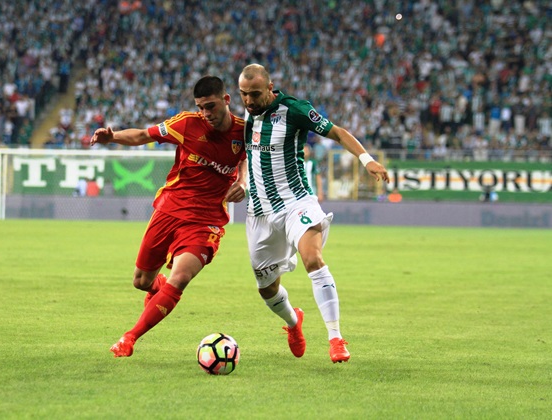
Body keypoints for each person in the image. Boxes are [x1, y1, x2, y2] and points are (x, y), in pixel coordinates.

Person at [237, 64, 390, 363]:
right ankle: (294, 323)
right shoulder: (246, 114)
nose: (249, 100)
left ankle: (336, 339)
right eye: (244, 94)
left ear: (270, 88)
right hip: (260, 213)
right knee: (267, 289)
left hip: (296, 203)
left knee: (313, 259)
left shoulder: (295, 110)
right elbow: (244, 153)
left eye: (255, 94)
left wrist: (367, 160)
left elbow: (338, 133)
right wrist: (241, 181)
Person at [91, 75, 248, 358]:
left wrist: (243, 182)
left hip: (207, 219)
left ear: (226, 100)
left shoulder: (244, 132)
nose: (206, 113)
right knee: (141, 281)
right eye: (201, 107)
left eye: (211, 106)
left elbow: (248, 158)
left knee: (181, 276)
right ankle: (159, 287)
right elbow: (143, 135)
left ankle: (129, 338)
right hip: (170, 208)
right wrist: (112, 137)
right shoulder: (186, 123)